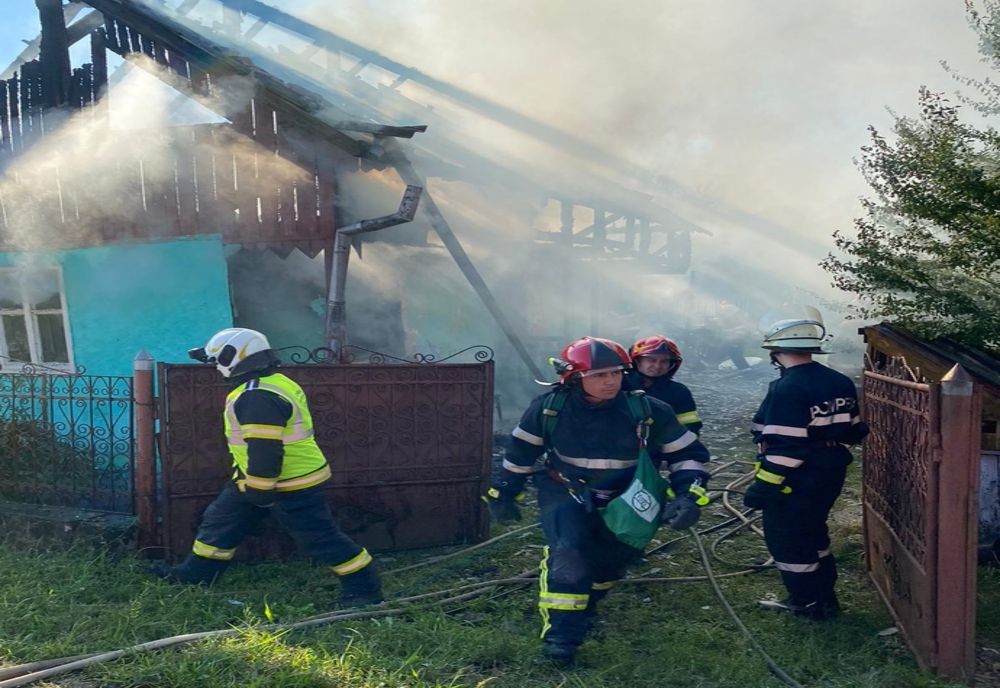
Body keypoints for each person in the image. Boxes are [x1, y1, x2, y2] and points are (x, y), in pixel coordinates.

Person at [485, 336, 712, 666]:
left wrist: (688, 497)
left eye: (616, 373)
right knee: (569, 555)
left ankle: (588, 602)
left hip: (627, 497)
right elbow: (520, 454)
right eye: (599, 375)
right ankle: (561, 641)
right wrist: (505, 492)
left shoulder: (647, 409)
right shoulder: (549, 408)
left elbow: (688, 455)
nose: (611, 381)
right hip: (565, 492)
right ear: (574, 377)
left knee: (609, 561)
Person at [151, 327, 382, 607]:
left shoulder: (256, 395)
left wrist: (260, 491)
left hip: (287, 483)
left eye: (215, 362)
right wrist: (253, 486)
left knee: (319, 538)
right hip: (256, 480)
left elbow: (265, 450)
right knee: (220, 523)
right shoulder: (273, 383)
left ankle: (364, 588)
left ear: (233, 357)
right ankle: (195, 575)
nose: (214, 369)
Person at [744, 308, 868, 620]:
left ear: (775, 351)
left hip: (800, 476)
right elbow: (853, 430)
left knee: (787, 538)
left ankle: (806, 603)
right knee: (813, 531)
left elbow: (787, 449)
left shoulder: (788, 388)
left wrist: (763, 486)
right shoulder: (838, 380)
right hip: (832, 469)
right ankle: (825, 597)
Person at [627, 335, 702, 434]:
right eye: (651, 360)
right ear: (637, 361)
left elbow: (690, 429)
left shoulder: (678, 392)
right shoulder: (621, 385)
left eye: (664, 361)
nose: (658, 366)